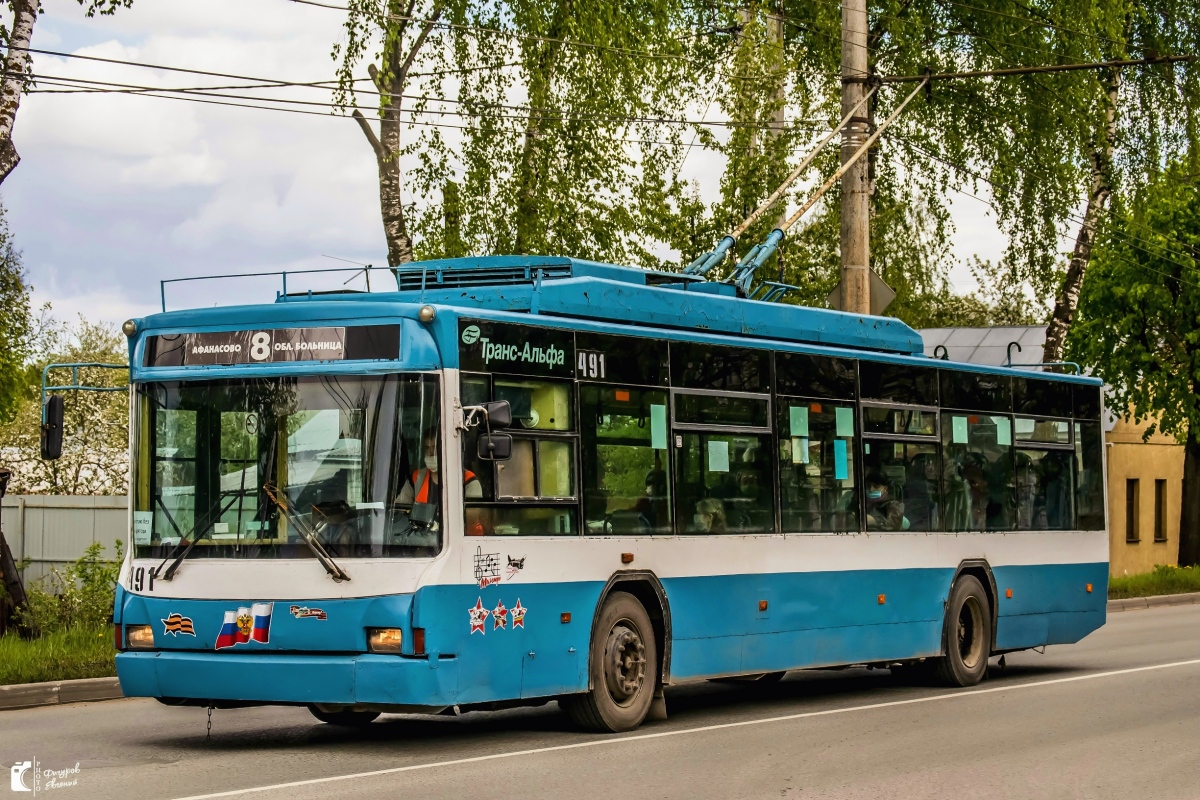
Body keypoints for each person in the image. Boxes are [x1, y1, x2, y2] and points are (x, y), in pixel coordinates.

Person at [398, 432, 485, 535]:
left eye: (434, 448)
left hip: (464, 540)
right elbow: (400, 508)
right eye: (427, 448)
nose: (431, 453)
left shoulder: (469, 480)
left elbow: (472, 517)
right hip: (423, 540)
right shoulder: (416, 477)